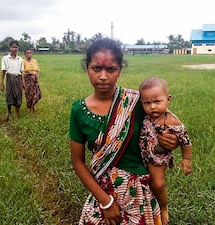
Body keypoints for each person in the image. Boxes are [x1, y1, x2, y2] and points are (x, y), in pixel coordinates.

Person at [69, 38, 179, 225]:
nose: (103, 76)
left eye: (110, 69)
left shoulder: (136, 102)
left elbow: (169, 126)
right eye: (96, 68)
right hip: (102, 192)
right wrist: (105, 202)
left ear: (119, 70)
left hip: (138, 192)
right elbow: (77, 162)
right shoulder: (79, 111)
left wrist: (171, 140)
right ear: (87, 68)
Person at [139, 77, 193, 225]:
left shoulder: (172, 120)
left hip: (157, 158)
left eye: (157, 102)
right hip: (142, 154)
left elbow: (185, 140)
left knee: (158, 184)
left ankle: (163, 207)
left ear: (168, 99)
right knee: (145, 183)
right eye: (147, 103)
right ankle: (148, 204)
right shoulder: (145, 115)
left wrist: (187, 159)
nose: (152, 107)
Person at [0, 40, 24, 121]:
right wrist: (2, 83)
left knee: (18, 96)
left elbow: (21, 71)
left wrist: (23, 82)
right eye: (13, 47)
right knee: (9, 95)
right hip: (9, 78)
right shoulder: (5, 58)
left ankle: (17, 113)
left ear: (18, 48)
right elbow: (3, 71)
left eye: (16, 47)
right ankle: (9, 111)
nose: (14, 49)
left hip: (18, 78)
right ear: (10, 48)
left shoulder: (20, 59)